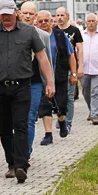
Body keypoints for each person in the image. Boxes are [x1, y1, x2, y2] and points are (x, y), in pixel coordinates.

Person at [0, 0, 53, 184]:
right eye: (3, 15)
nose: (7, 18)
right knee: (4, 128)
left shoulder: (29, 32)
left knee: (21, 125)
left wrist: (50, 82)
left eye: (9, 15)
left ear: (16, 13)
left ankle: (20, 165)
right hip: (0, 87)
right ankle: (11, 162)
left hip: (22, 86)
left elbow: (42, 57)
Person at [35, 11, 75, 145]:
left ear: (51, 21)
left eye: (46, 21)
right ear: (37, 22)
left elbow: (71, 54)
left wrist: (74, 73)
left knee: (61, 104)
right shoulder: (34, 36)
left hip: (60, 75)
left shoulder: (60, 35)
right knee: (45, 105)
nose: (43, 23)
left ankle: (62, 121)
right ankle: (48, 134)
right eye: (40, 21)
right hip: (41, 77)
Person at [18, 2, 49, 156]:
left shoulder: (43, 35)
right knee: (17, 120)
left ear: (35, 16)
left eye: (31, 13)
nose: (28, 16)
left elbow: (48, 60)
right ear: (19, 14)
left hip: (34, 82)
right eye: (25, 13)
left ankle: (25, 153)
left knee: (30, 118)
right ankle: (18, 150)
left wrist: (50, 82)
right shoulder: (12, 33)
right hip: (16, 83)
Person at [55, 7, 83, 133]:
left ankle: (68, 122)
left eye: (62, 15)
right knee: (58, 96)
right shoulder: (53, 31)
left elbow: (79, 50)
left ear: (67, 16)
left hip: (69, 68)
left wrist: (79, 68)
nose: (60, 17)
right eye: (57, 15)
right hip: (57, 69)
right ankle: (60, 116)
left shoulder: (75, 31)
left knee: (70, 96)